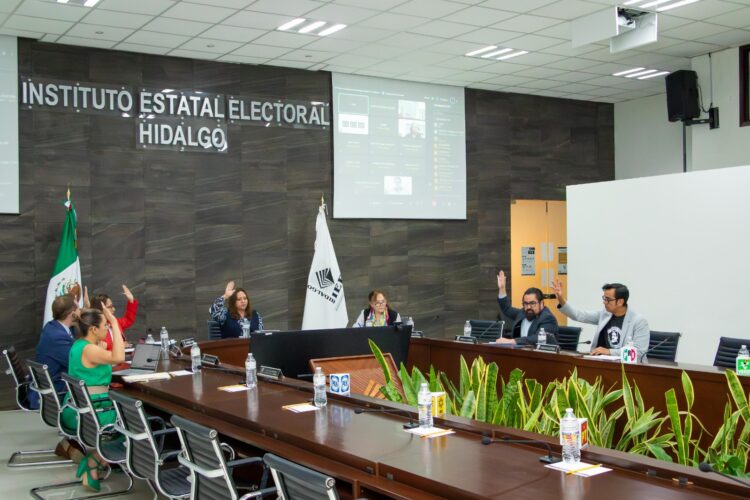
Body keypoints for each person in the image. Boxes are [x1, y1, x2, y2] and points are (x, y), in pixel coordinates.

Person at [61, 306, 125, 491]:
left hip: (78, 408)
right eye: (105, 325)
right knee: (137, 422)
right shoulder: (90, 350)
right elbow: (119, 357)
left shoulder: (79, 345)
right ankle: (94, 461)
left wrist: (99, 347)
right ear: (93, 329)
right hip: (93, 411)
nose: (107, 328)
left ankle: (102, 461)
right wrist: (115, 323)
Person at [28, 294, 84, 462]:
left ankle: (73, 443)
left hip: (53, 386)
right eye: (78, 308)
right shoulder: (57, 337)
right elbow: (78, 364)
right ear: (72, 313)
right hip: (57, 392)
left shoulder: (54, 327)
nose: (81, 310)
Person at [551, 279, 650, 362]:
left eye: (608, 299)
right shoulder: (605, 314)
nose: (604, 302)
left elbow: (639, 353)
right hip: (604, 364)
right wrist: (561, 299)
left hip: (629, 369)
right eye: (604, 298)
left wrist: (609, 351)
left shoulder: (638, 321)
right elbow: (579, 315)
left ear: (620, 302)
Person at [494, 271, 558, 345]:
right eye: (525, 304)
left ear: (541, 303)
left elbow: (538, 338)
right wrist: (502, 288)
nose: (528, 307)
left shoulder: (548, 318)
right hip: (519, 351)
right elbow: (506, 309)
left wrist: (513, 341)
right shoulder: (523, 313)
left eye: (532, 303)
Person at [87, 284, 138, 350]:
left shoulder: (114, 321)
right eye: (110, 307)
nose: (114, 309)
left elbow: (128, 320)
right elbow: (100, 348)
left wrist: (131, 301)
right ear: (100, 309)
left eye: (112, 306)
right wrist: (119, 345)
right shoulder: (95, 329)